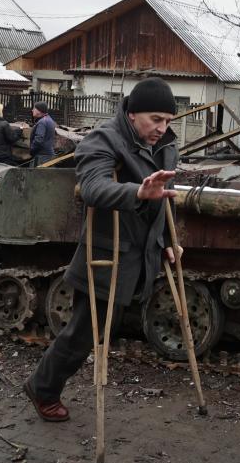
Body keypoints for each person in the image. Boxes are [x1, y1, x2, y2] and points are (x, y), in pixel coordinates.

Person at [23, 77, 181, 422]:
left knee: (102, 329)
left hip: (143, 253)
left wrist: (170, 240)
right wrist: (137, 192)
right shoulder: (104, 139)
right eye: (156, 119)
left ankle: (43, 385)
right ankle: (42, 388)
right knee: (84, 332)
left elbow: (166, 197)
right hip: (107, 255)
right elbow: (93, 188)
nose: (162, 128)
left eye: (168, 120)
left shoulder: (166, 145)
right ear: (133, 113)